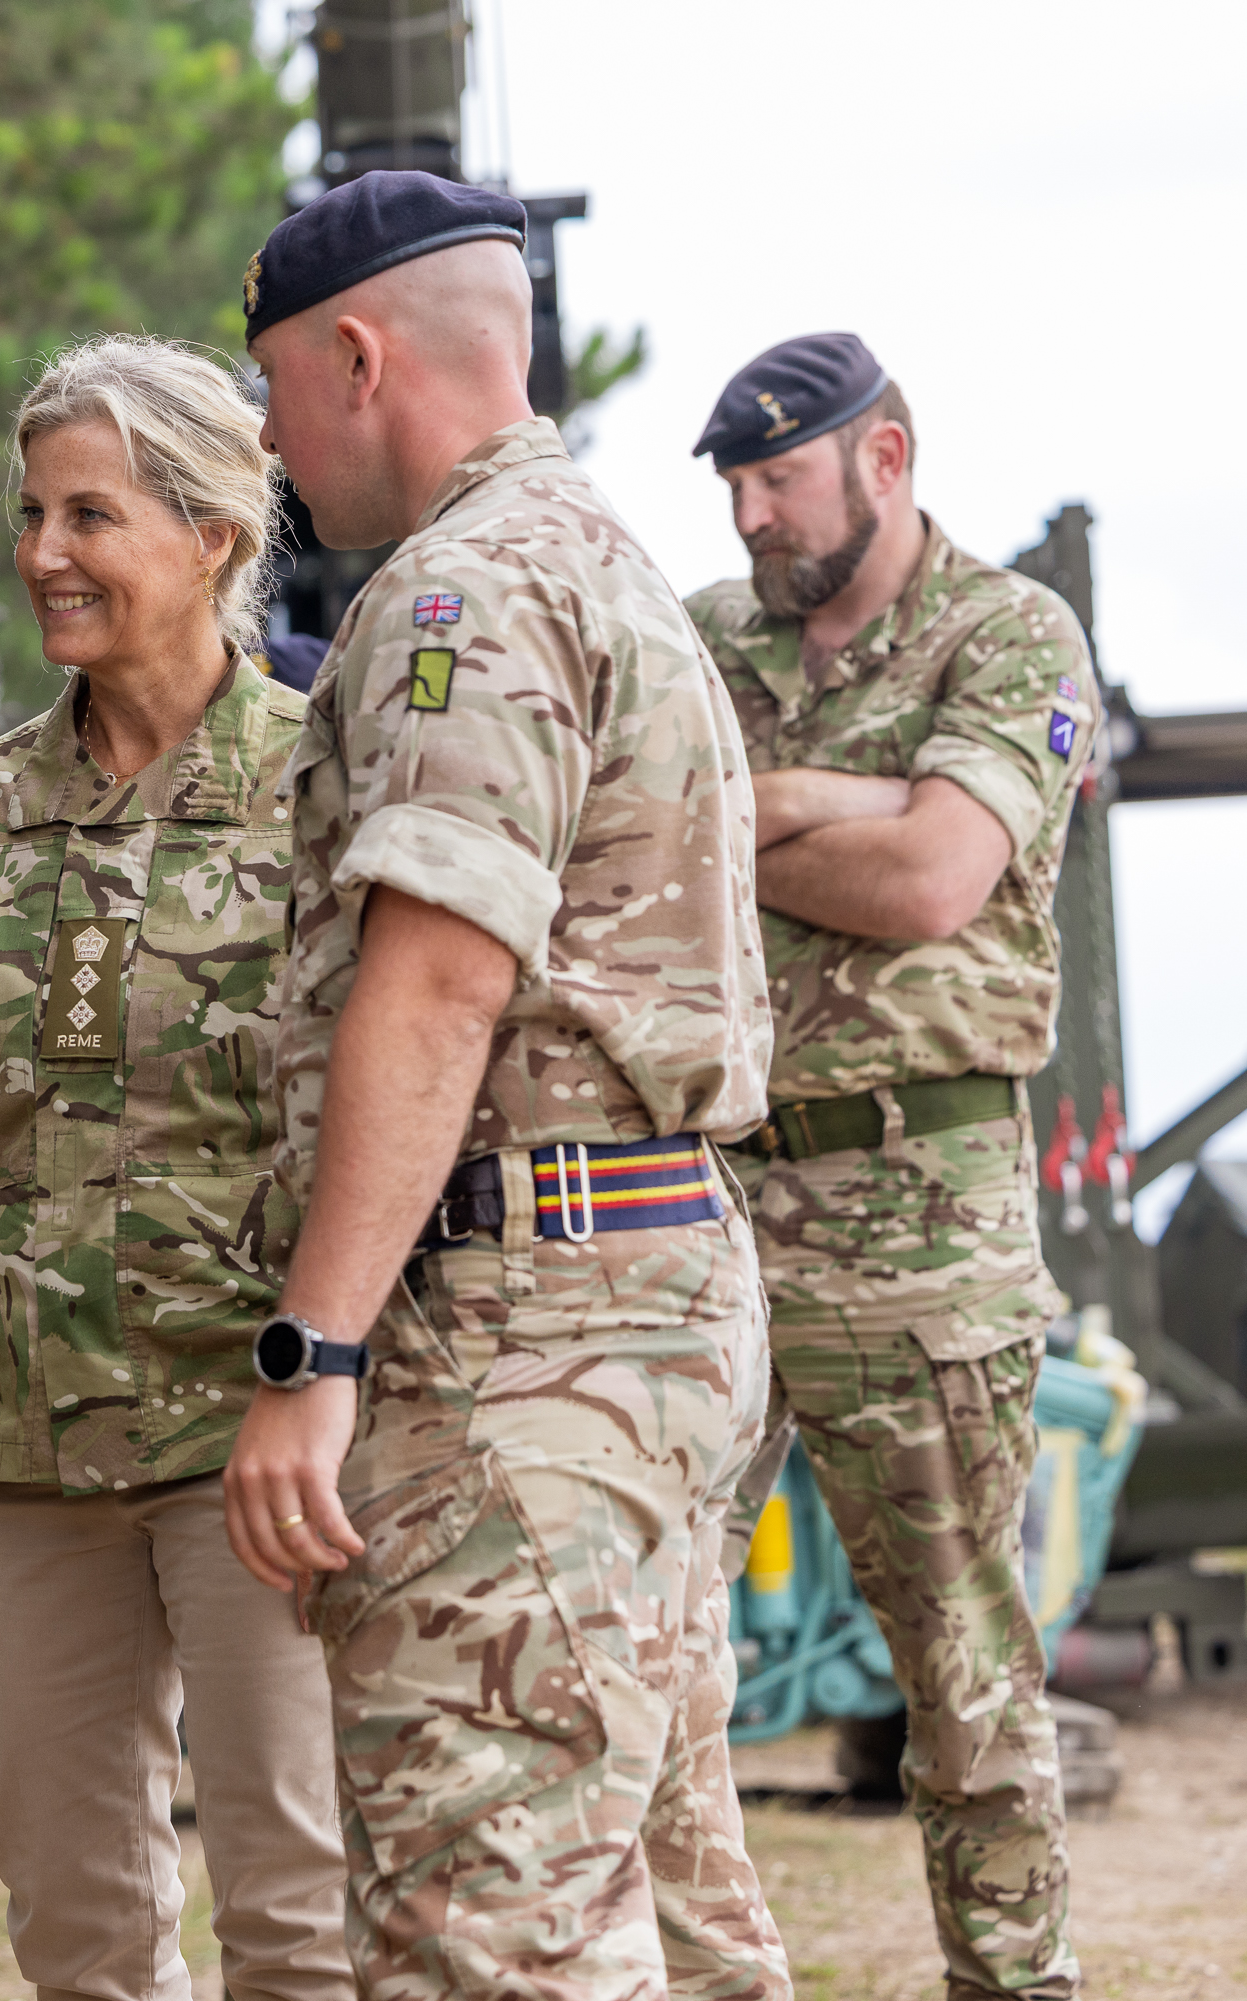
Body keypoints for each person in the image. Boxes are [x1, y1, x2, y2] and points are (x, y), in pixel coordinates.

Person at [228, 170, 791, 1998]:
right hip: (642, 1303)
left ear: (357, 356)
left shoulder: (461, 592)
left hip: (518, 1340)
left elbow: (443, 972)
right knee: (662, 1895)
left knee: (493, 1931)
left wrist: (312, 1352)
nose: (276, 453)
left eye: (275, 397)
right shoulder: (609, 563)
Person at [0, 334, 353, 2001]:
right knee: (77, 1919)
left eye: (91, 515)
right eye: (32, 513)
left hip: (266, 1442)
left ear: (212, 534)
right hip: (23, 1453)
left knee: (299, 1904)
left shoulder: (336, 789)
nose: (45, 554)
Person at [688, 333, 1090, 2001]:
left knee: (960, 1673)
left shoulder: (1008, 633)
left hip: (920, 1219)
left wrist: (764, 802)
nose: (753, 516)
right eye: (733, 488)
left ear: (886, 456)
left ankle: (1013, 1983)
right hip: (699, 1206)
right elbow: (638, 846)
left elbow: (936, 878)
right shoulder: (705, 638)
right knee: (645, 1648)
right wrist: (836, 802)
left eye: (779, 479)